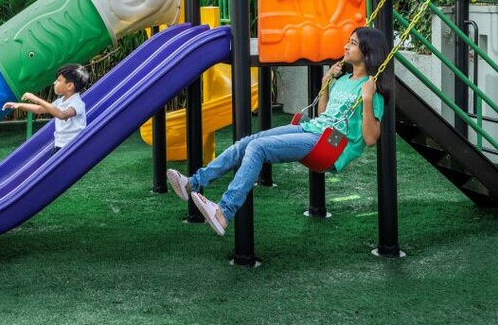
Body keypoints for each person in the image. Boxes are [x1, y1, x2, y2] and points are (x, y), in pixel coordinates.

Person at [166, 27, 388, 236]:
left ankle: (224, 212)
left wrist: (367, 99)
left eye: (352, 43)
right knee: (247, 142)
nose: (346, 46)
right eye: (348, 41)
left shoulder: (371, 90)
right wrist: (325, 83)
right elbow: (324, 115)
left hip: (330, 145)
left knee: (257, 147)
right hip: (313, 129)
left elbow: (370, 139)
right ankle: (193, 183)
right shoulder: (343, 80)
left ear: (367, 52)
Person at [0, 64, 90, 211]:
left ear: (69, 86)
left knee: (39, 181)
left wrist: (35, 98)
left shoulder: (77, 104)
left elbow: (61, 114)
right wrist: (19, 105)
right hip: (60, 148)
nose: (54, 83)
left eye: (59, 80)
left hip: (70, 151)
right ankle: (2, 204)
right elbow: (41, 109)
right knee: (38, 179)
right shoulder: (62, 101)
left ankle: (2, 207)